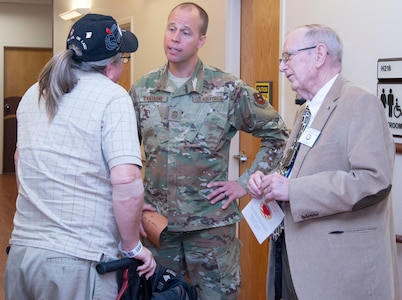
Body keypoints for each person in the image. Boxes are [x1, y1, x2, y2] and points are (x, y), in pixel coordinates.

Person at [129, 2, 288, 299]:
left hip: (211, 229)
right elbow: (122, 155)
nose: (174, 38)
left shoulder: (228, 89)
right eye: (171, 28)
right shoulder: (142, 90)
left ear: (201, 40)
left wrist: (244, 184)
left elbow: (278, 135)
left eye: (185, 32)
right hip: (157, 228)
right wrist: (132, 204)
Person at [4, 14, 156, 300]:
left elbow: (20, 161)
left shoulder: (34, 93)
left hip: (23, 255)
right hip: (77, 263)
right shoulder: (113, 97)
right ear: (112, 64)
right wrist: (133, 247)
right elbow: (126, 179)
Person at [247, 24, 400, 300]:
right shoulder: (305, 112)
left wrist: (293, 190)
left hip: (336, 271)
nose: (282, 67)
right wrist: (270, 182)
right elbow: (302, 171)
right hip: (293, 260)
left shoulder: (360, 103)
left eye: (287, 57)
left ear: (319, 55)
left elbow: (374, 181)